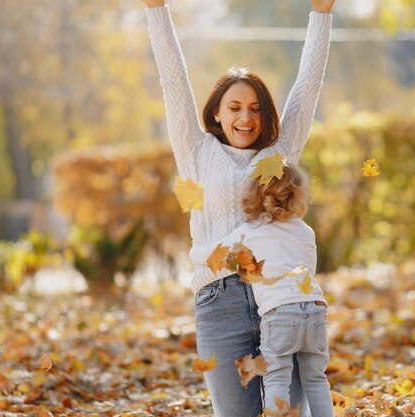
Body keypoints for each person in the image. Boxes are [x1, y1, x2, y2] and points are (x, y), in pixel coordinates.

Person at [140, 0, 334, 416]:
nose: (246, 118)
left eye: (255, 108)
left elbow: (309, 86)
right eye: (235, 107)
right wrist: (156, 8)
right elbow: (173, 82)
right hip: (219, 304)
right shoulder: (196, 151)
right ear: (216, 112)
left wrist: (321, 13)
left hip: (281, 302)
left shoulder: (279, 153)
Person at [193, 163, 334, 417]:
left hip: (280, 315)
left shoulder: (251, 231)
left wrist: (194, 251)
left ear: (255, 197)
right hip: (315, 310)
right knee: (316, 379)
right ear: (299, 197)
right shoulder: (305, 231)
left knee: (276, 380)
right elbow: (308, 269)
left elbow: (215, 253)